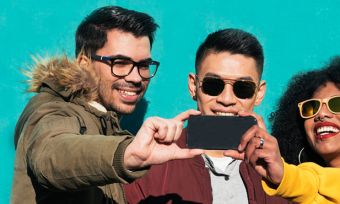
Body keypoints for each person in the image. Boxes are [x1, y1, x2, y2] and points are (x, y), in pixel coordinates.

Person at [11, 6, 203, 204]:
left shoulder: (105, 121)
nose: (136, 77)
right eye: (120, 63)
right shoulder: (54, 109)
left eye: (143, 65)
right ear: (84, 63)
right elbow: (52, 155)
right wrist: (126, 155)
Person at [124, 29, 290, 203]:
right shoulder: (152, 163)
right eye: (213, 85)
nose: (226, 100)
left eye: (243, 88)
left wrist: (282, 179)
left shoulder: (279, 170)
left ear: (259, 92)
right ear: (193, 86)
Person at [224, 57, 340, 203]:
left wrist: (285, 176)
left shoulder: (304, 185)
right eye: (311, 108)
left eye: (336, 104)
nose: (321, 114)